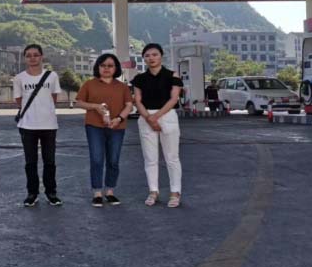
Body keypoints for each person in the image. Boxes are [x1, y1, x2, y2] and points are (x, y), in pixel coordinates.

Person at [74, 54, 134, 208]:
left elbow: (129, 105)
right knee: (97, 159)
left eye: (110, 65)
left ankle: (110, 191)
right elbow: (78, 102)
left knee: (113, 160)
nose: (106, 68)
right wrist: (95, 107)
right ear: (98, 67)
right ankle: (97, 193)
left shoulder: (122, 87)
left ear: (116, 68)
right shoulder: (89, 84)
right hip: (94, 126)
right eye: (103, 65)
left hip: (117, 127)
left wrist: (119, 119)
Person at [131, 44, 184, 208]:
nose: (151, 58)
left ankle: (175, 192)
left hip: (167, 116)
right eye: (147, 56)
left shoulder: (172, 75)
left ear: (161, 56)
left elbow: (174, 99)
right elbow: (137, 100)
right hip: (145, 117)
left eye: (154, 54)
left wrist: (156, 116)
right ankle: (153, 191)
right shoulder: (139, 79)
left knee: (172, 158)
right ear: (144, 58)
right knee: (150, 158)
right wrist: (149, 117)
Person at [13, 44, 62, 207]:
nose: (32, 58)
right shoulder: (19, 78)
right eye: (28, 55)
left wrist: (44, 110)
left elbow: (53, 98)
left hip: (49, 125)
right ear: (25, 58)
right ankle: (32, 193)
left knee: (50, 161)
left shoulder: (52, 76)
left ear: (41, 56)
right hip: (27, 125)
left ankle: (51, 192)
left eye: (35, 54)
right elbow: (19, 101)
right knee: (30, 162)